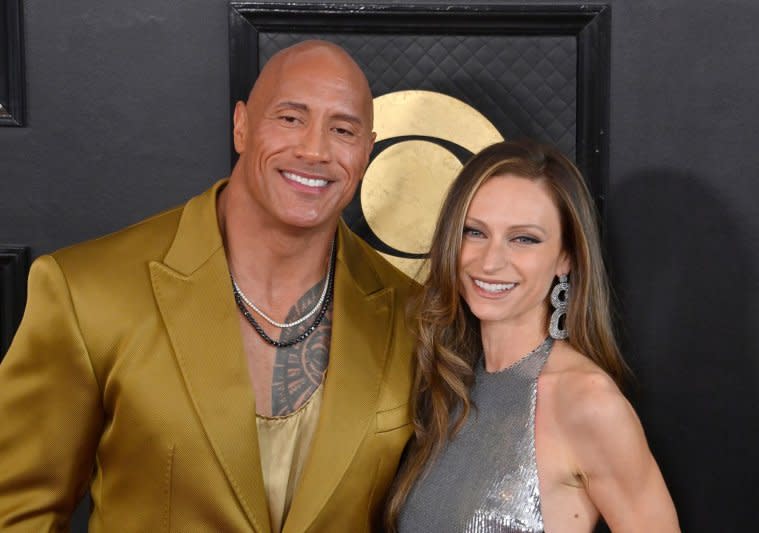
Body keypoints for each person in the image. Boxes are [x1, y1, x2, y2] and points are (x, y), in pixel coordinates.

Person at [0, 40, 416, 532]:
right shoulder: (86, 290)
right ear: (241, 125)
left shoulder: (415, 315)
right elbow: (18, 513)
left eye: (342, 130)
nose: (314, 149)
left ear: (367, 150)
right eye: (289, 118)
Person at [387, 139, 680, 532]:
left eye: (523, 238)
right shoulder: (448, 383)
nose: (490, 261)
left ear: (566, 257)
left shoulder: (587, 401)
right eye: (474, 232)